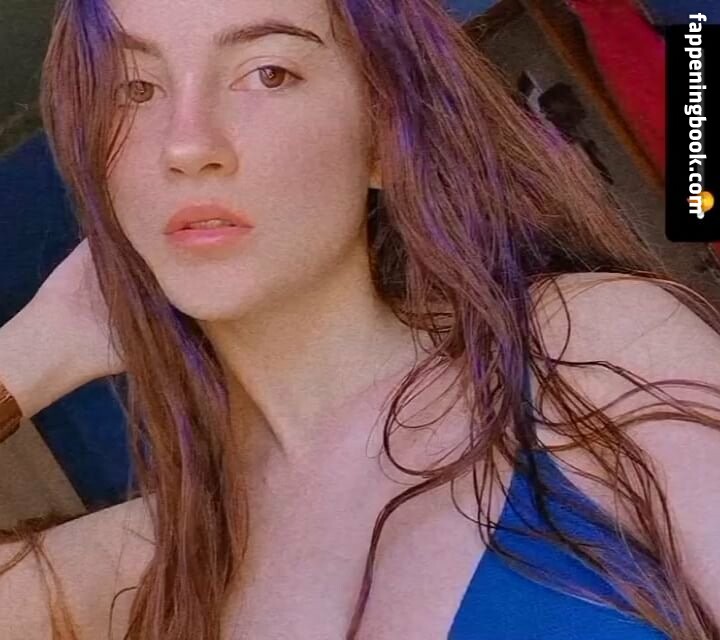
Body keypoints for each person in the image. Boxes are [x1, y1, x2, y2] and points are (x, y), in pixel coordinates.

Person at [0, 1, 718, 639]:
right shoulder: (145, 568)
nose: (186, 144)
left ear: (383, 136)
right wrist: (34, 352)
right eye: (133, 89)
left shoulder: (574, 352)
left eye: (269, 73)